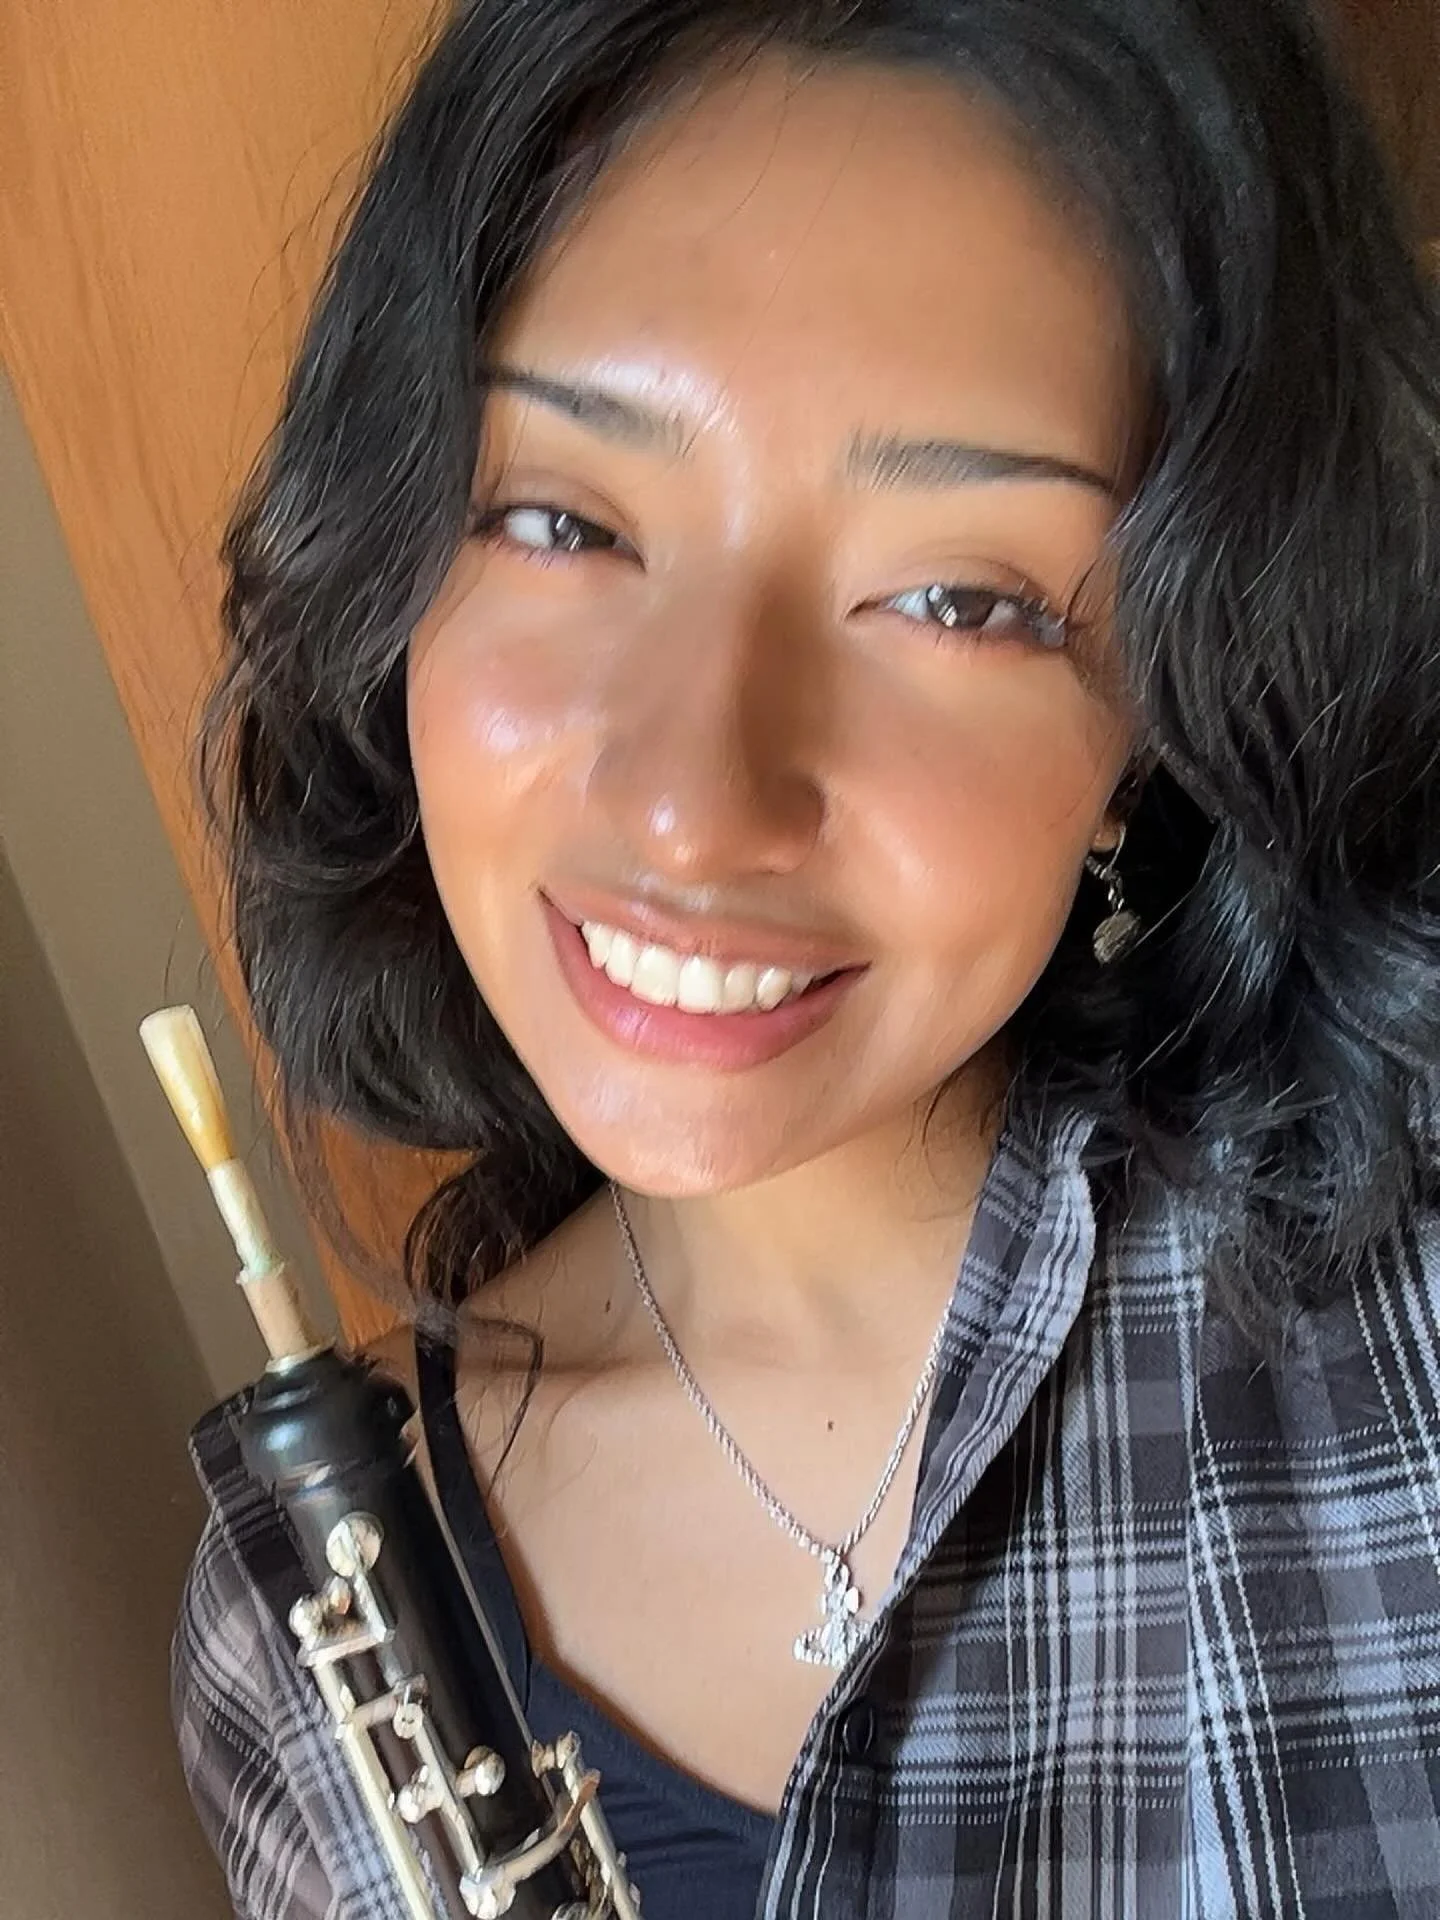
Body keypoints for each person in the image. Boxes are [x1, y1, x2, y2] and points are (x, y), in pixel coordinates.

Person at [170, 0, 1440, 1914]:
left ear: (1166, 716)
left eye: (960, 601)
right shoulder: (292, 1627)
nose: (696, 809)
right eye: (559, 520)